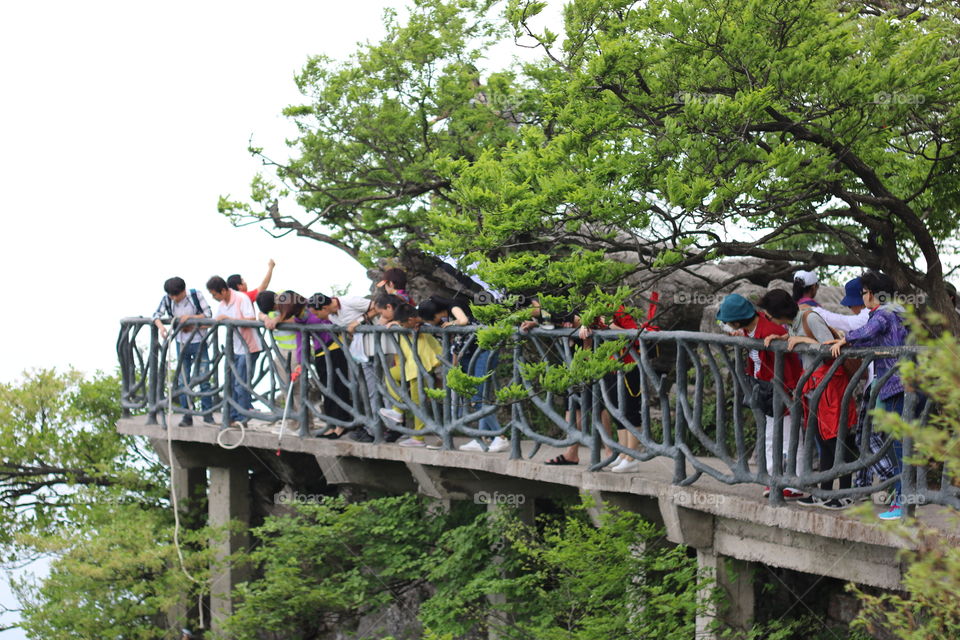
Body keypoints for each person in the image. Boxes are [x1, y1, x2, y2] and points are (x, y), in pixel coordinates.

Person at [759, 290, 857, 509]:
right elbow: (796, 335)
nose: (769, 319)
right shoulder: (793, 322)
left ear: (778, 312)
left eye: (770, 315)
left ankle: (845, 493)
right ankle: (823, 492)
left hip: (832, 385)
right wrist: (782, 337)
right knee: (824, 440)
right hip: (816, 386)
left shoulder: (809, 317)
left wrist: (803, 340)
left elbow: (831, 346)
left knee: (837, 439)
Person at [828, 271, 909, 520]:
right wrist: (846, 343)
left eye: (863, 292)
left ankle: (902, 503)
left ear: (871, 294)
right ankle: (901, 496)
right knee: (893, 441)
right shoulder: (898, 312)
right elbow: (872, 341)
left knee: (896, 444)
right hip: (896, 385)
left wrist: (846, 339)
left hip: (895, 385)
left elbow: (868, 331)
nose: (862, 296)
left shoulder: (884, 313)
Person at [716, 293, 804, 499]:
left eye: (729, 322)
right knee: (771, 436)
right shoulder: (751, 329)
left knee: (791, 437)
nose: (727, 326)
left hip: (783, 390)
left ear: (738, 321)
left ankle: (797, 483)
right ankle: (772, 479)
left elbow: (789, 368)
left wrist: (789, 395)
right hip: (765, 389)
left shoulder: (770, 330)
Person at [152, 277, 214, 426]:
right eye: (171, 295)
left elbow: (208, 314)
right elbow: (156, 315)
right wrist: (161, 327)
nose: (174, 298)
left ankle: (207, 414)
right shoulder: (167, 300)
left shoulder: (195, 296)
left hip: (199, 342)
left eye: (176, 295)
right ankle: (187, 416)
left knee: (204, 379)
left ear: (183, 291)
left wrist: (190, 318)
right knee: (182, 381)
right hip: (181, 343)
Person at [379, 304, 443, 447]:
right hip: (410, 365)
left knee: (418, 402)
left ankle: (418, 438)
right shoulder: (409, 323)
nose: (402, 326)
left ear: (411, 319)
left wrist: (414, 324)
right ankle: (398, 409)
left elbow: (428, 324)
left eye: (403, 323)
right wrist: (396, 323)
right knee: (389, 375)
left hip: (421, 366)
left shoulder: (422, 324)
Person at [207, 276, 263, 427]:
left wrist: (228, 318)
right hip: (234, 348)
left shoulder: (241, 298)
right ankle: (232, 416)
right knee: (231, 383)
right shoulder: (223, 303)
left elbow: (251, 319)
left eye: (215, 294)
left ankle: (243, 417)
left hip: (249, 347)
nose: (214, 298)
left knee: (241, 383)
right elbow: (217, 318)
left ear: (224, 290)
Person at [256, 291, 300, 426]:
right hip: (280, 352)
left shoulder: (289, 301)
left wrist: (279, 319)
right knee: (285, 388)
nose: (274, 310)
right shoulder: (268, 307)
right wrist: (265, 318)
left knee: (297, 388)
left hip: (295, 351)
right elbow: (259, 314)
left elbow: (300, 317)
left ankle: (304, 423)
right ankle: (292, 421)